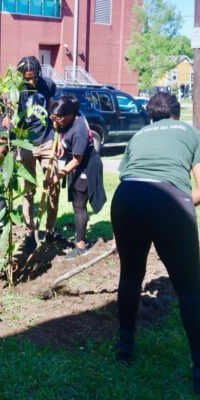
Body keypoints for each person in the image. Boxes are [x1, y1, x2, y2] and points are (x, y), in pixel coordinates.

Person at [110, 92, 200, 394]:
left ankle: (125, 349)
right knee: (189, 286)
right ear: (176, 113)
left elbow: (128, 176)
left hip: (127, 199)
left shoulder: (139, 135)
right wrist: (182, 203)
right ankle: (198, 367)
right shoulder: (190, 131)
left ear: (150, 115)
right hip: (169, 199)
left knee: (131, 276)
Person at [47, 96, 106, 259]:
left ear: (69, 116)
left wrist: (56, 178)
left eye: (58, 119)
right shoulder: (71, 115)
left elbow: (76, 160)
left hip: (86, 165)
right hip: (78, 164)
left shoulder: (79, 130)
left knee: (79, 204)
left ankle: (80, 245)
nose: (55, 122)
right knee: (76, 202)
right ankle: (79, 239)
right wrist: (60, 142)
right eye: (53, 118)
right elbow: (58, 128)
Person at [12, 55, 60, 243]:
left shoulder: (48, 84)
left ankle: (50, 229)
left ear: (39, 73)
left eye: (33, 77)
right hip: (26, 143)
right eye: (27, 78)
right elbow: (11, 111)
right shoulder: (17, 88)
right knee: (28, 189)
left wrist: (57, 130)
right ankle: (30, 230)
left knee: (53, 185)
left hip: (48, 140)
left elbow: (51, 109)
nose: (31, 81)